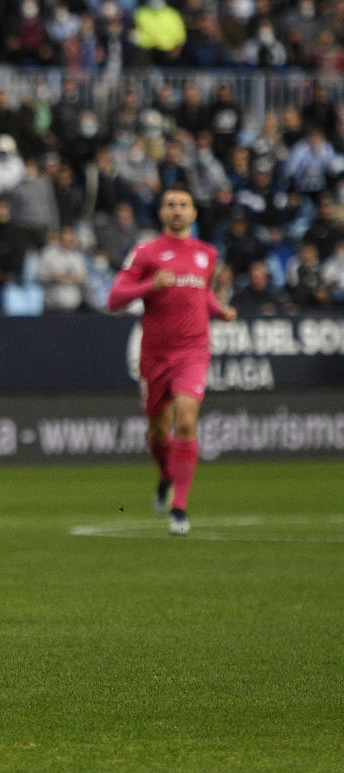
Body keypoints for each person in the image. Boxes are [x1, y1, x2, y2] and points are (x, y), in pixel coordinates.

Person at [107, 184, 237, 535]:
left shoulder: (206, 253)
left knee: (186, 420)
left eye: (183, 204)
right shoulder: (146, 252)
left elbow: (202, 292)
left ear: (194, 213)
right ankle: (166, 474)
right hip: (155, 353)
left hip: (193, 350)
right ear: (162, 212)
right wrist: (149, 286)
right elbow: (114, 297)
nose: (177, 210)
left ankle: (179, 508)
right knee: (158, 429)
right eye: (170, 205)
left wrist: (218, 310)